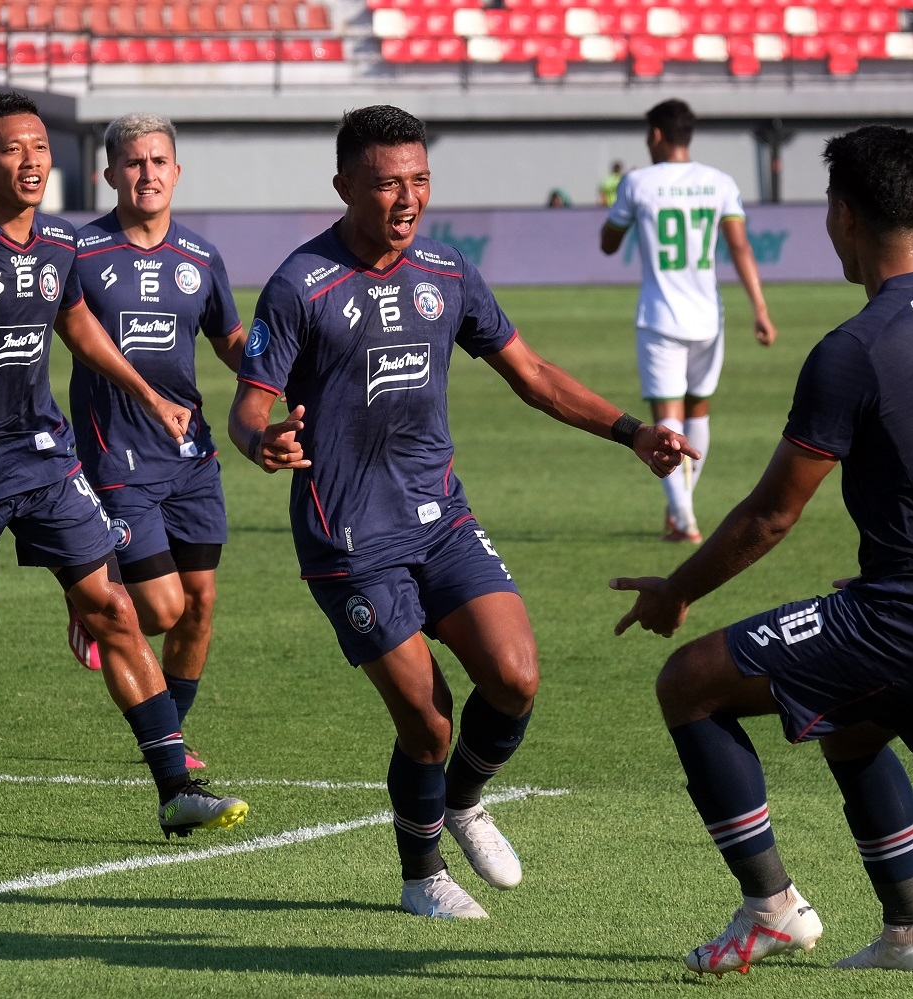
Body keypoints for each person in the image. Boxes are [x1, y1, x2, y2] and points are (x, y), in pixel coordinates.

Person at [228, 105, 696, 919]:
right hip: (350, 538)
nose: (406, 199)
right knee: (428, 722)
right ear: (344, 185)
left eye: (419, 181)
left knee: (515, 676)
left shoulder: (446, 273)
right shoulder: (301, 285)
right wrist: (262, 440)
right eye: (386, 184)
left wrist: (630, 431)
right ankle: (423, 876)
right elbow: (247, 405)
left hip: (441, 517)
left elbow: (534, 373)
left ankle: (464, 798)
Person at [610, 124, 913, 977]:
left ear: (842, 216)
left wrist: (677, 590)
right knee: (849, 728)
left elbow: (771, 515)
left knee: (688, 681)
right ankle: (910, 936)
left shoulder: (855, 348)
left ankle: (770, 909)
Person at [0, 92, 248, 840]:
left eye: (39, 148)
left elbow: (77, 327)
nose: (30, 161)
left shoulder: (61, 243)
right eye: (11, 150)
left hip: (46, 458)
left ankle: (175, 784)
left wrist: (150, 395)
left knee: (116, 610)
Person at [62, 112, 246, 775]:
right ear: (109, 174)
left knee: (199, 604)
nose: (147, 173)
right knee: (163, 609)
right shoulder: (81, 253)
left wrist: (276, 372)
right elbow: (68, 332)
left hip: (191, 455)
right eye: (134, 162)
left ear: (177, 172)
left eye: (158, 161)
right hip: (117, 455)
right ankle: (91, 602)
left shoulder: (201, 256)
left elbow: (228, 338)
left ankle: (173, 737)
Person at [600, 99, 777, 545]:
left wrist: (623, 205)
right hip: (708, 319)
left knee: (665, 420)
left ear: (657, 134)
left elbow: (607, 242)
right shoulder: (719, 182)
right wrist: (760, 309)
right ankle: (681, 508)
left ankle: (685, 519)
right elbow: (740, 248)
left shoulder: (637, 182)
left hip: (661, 318)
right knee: (698, 412)